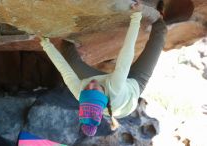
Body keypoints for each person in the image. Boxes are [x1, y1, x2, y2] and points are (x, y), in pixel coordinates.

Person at [40, 0, 167, 137]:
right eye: (94, 89)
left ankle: (69, 41)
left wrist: (45, 43)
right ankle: (160, 16)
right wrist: (136, 16)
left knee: (71, 60)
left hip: (111, 91)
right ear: (103, 97)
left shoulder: (81, 93)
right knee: (159, 36)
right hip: (134, 86)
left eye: (86, 89)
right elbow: (126, 54)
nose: (90, 84)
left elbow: (64, 69)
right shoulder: (114, 88)